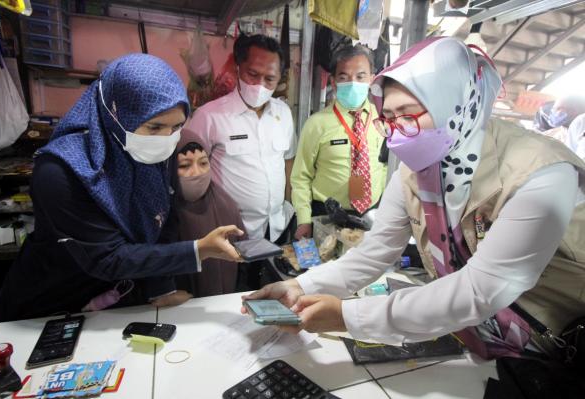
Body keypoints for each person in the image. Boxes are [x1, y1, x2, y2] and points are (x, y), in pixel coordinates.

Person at [244, 37, 585, 360]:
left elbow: (480, 290)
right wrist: (299, 285)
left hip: (553, 351)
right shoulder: (417, 170)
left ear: (454, 101)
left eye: (408, 114)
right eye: (388, 119)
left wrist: (348, 316)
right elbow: (373, 254)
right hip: (480, 340)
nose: (395, 134)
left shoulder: (541, 173)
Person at [0, 54, 243, 322]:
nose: (167, 140)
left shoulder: (156, 151)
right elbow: (107, 258)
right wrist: (197, 250)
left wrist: (162, 288)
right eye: (155, 127)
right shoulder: (61, 171)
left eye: (177, 127)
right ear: (115, 112)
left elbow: (162, 220)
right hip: (50, 305)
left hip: (120, 300)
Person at [186, 34, 297, 287]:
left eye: (269, 78)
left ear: (280, 78)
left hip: (276, 227)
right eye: (252, 74)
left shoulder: (283, 113)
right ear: (238, 69)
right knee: (233, 295)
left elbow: (287, 161)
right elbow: (189, 173)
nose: (259, 85)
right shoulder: (209, 116)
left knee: (274, 291)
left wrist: (292, 208)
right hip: (233, 233)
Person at [291, 45, 387, 240]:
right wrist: (303, 220)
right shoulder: (316, 124)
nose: (353, 83)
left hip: (372, 217)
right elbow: (301, 177)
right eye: (344, 77)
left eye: (360, 76)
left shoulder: (384, 119)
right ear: (333, 82)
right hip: (326, 217)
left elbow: (386, 168)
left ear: (371, 79)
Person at [162, 129, 247, 297]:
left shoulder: (224, 203)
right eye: (185, 165)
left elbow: (244, 256)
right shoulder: (158, 212)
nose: (197, 172)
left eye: (203, 163)